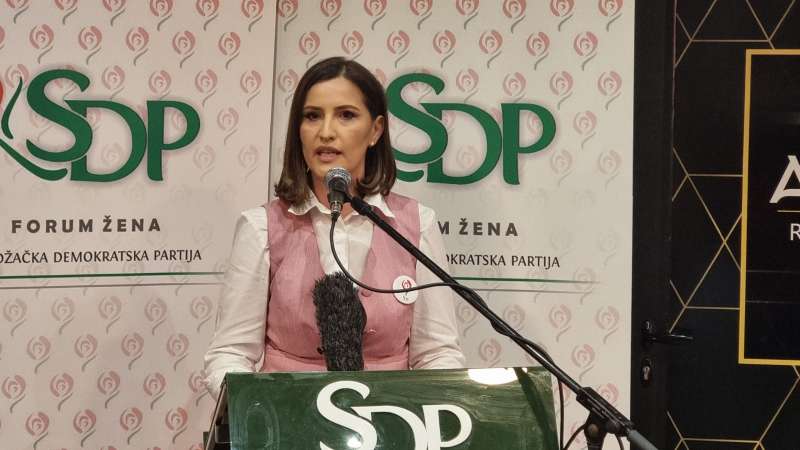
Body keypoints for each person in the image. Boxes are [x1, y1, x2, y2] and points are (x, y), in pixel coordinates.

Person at [203, 56, 465, 398]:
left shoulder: (417, 224)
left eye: (346, 115)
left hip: (393, 418)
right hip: (290, 419)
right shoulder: (261, 227)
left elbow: (437, 354)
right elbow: (230, 354)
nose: (326, 132)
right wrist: (256, 410)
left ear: (375, 131)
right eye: (312, 116)